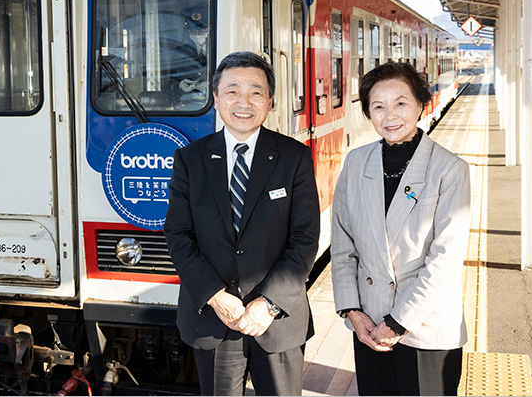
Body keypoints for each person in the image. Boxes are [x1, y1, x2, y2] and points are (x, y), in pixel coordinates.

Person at [164, 51, 320, 396]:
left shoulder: (294, 158)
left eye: (256, 91)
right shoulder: (190, 160)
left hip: (276, 319)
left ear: (271, 101)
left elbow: (305, 239)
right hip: (215, 318)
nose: (244, 102)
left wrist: (268, 302)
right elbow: (178, 235)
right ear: (216, 99)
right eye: (232, 91)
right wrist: (215, 296)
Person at [330, 61, 471, 396]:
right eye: (378, 106)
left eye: (401, 103)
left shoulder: (450, 169)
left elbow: (445, 259)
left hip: (425, 328)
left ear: (421, 105)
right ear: (367, 112)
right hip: (369, 326)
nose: (389, 115)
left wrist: (397, 322)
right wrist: (352, 311)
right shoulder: (356, 162)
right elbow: (342, 243)